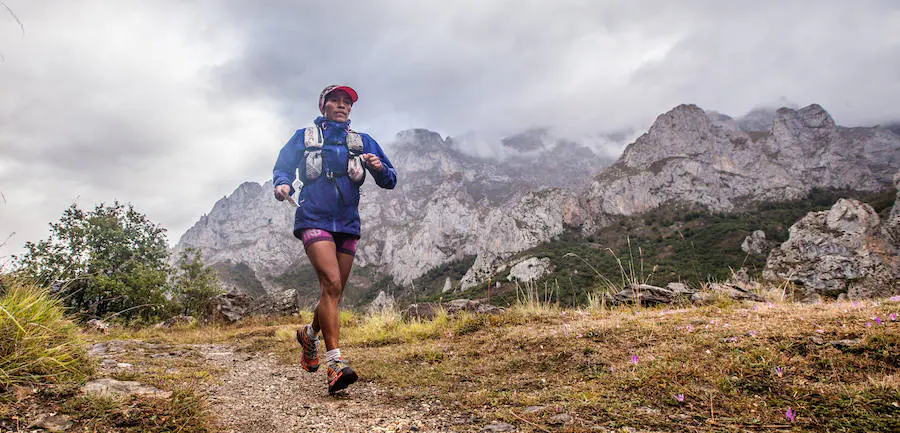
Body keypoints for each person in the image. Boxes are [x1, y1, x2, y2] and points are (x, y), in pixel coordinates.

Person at [272, 85, 397, 394]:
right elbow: (282, 167)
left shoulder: (363, 142)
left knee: (334, 292)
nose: (342, 105)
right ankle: (335, 364)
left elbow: (390, 179)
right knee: (331, 284)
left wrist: (380, 168)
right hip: (313, 217)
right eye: (335, 100)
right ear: (323, 105)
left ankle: (309, 333)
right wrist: (283, 184)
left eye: (347, 102)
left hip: (347, 223)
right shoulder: (303, 137)